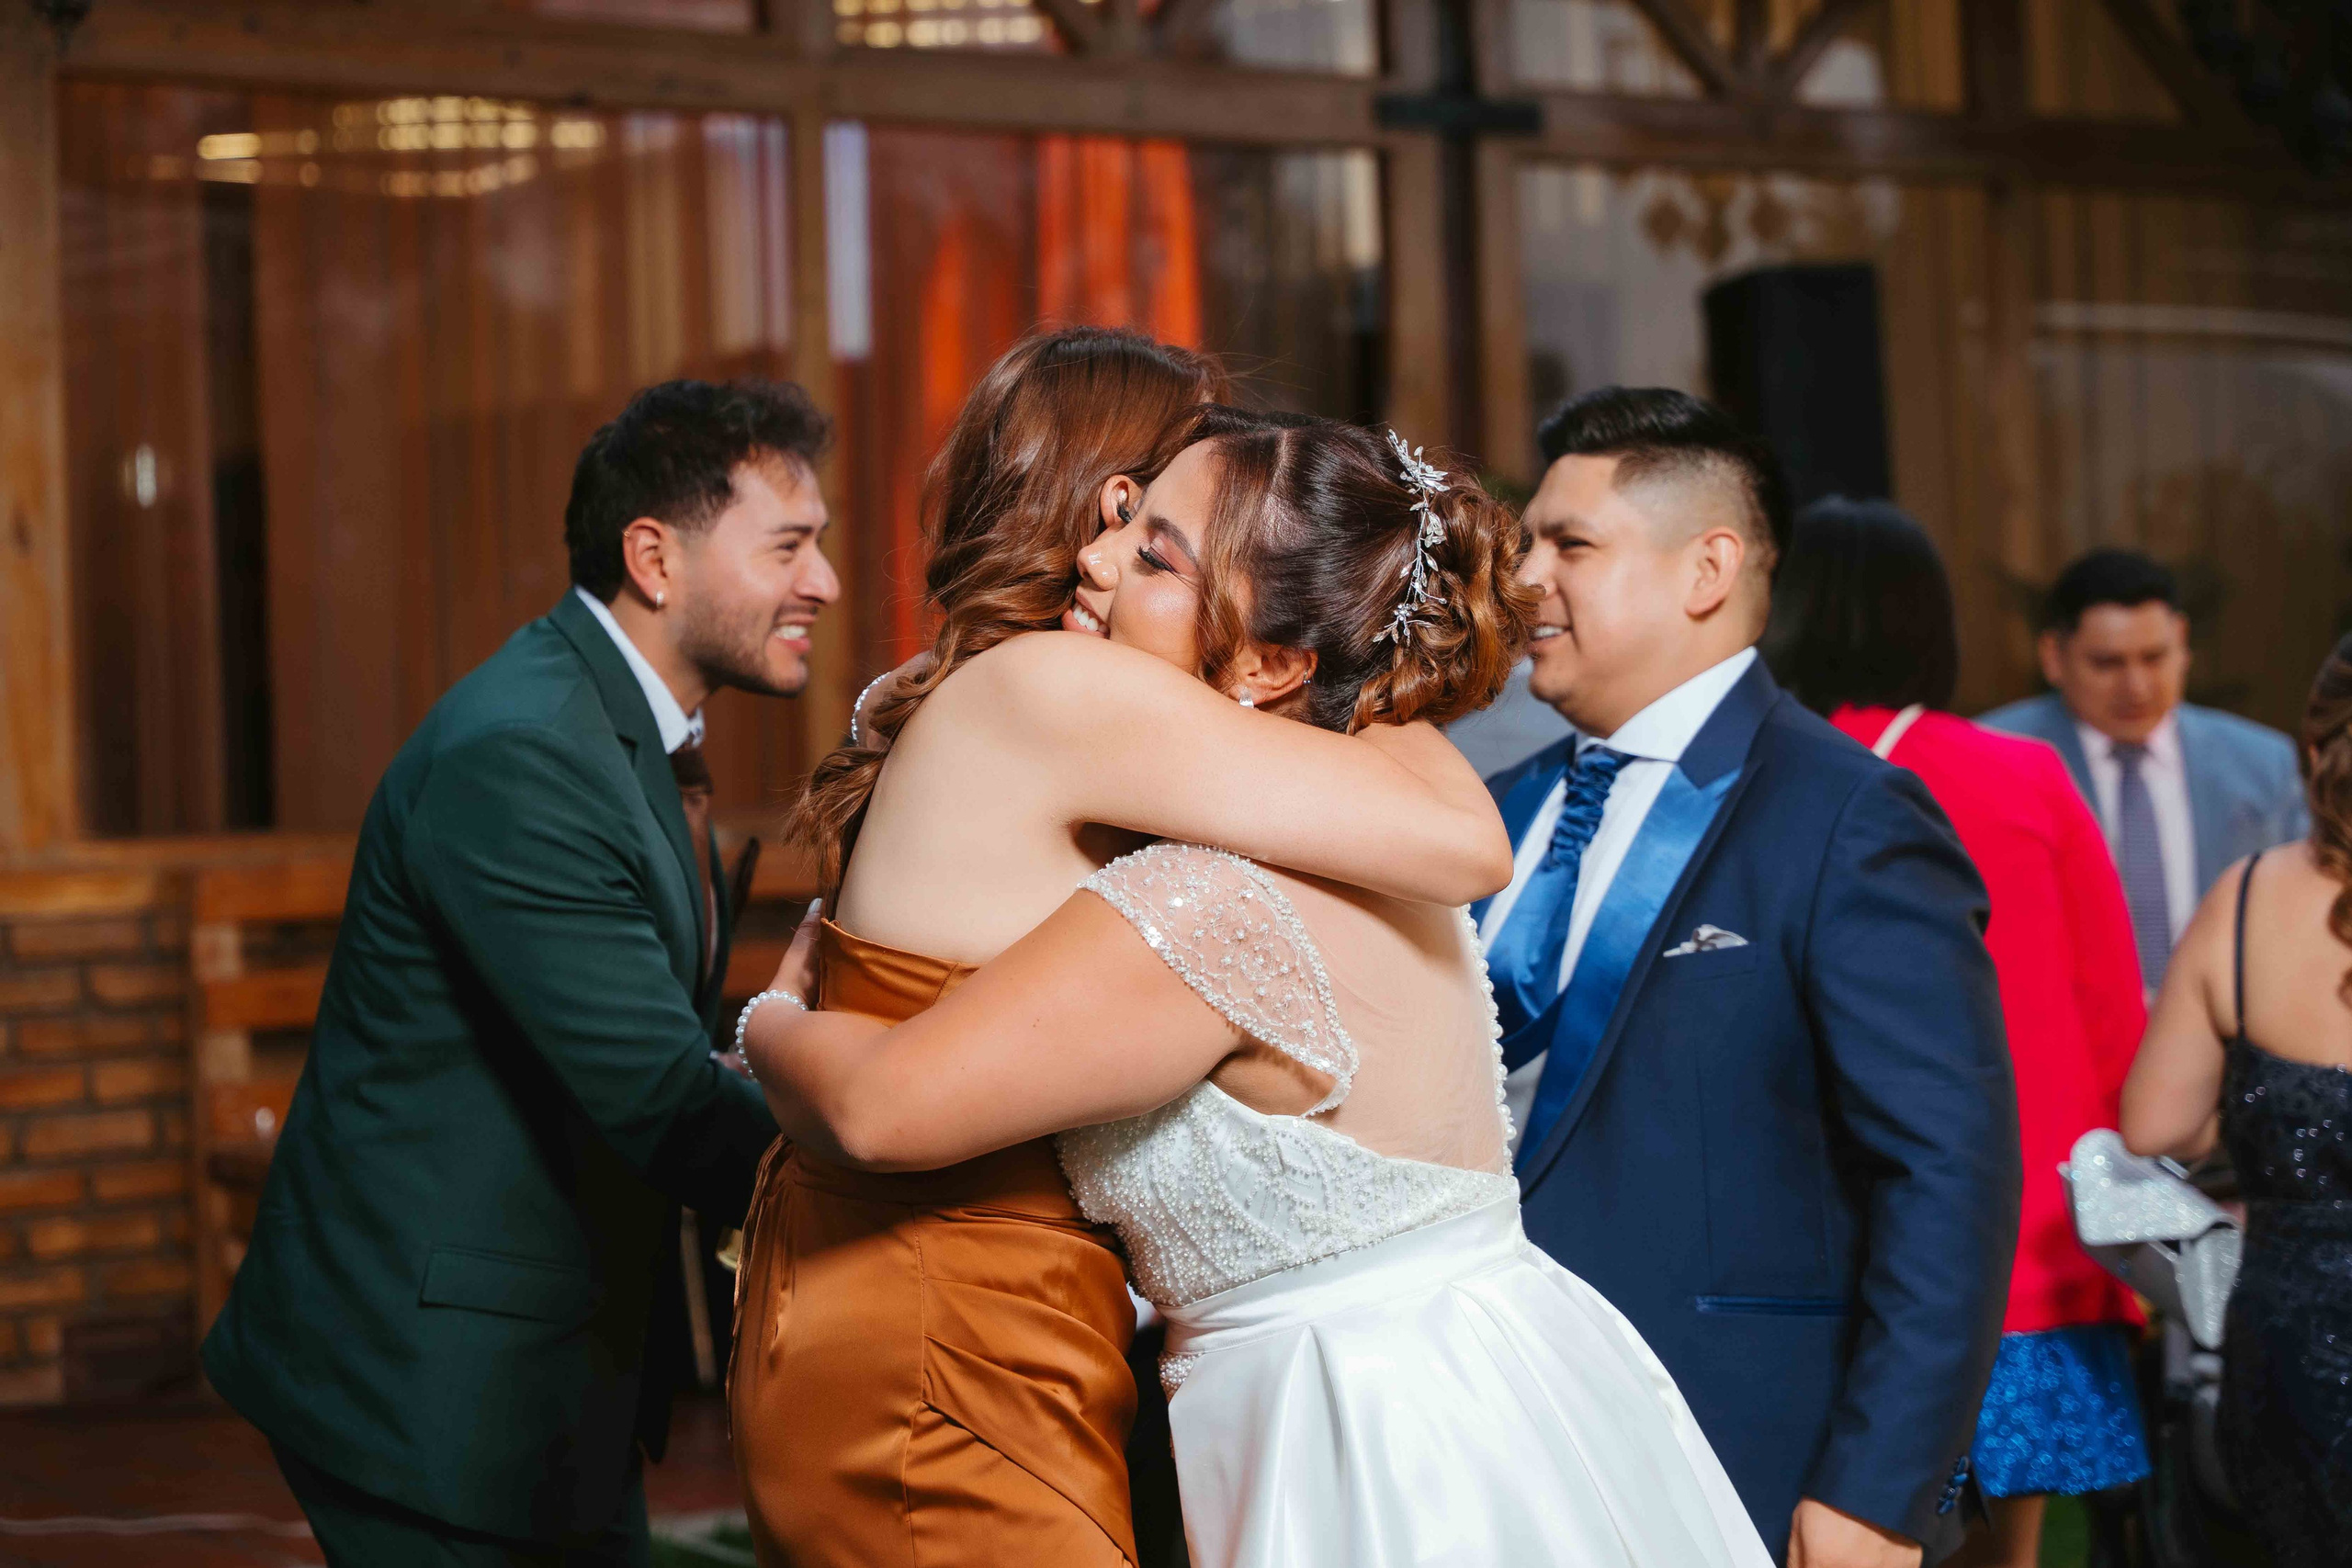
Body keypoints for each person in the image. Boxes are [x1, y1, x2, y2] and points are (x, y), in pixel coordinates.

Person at [745, 410, 1772, 1568]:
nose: (1095, 560)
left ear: (1275, 662)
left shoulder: (1206, 900)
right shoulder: (1355, 828)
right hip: (1500, 1373)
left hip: (1363, 1430)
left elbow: (880, 1109)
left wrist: (770, 1015)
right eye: (1122, 523)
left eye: (1153, 555)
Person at [201, 379, 834, 1565]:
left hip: (541, 1365)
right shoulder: (527, 750)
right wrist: (903, 1153)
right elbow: (661, 1097)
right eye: (790, 546)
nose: (825, 583)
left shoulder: (607, 722)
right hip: (428, 1385)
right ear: (654, 554)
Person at [1478, 388, 2018, 1567]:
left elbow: (1946, 1174)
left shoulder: (1846, 817)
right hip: (1496, 1446)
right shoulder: (1493, 816)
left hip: (1739, 1454)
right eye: (1527, 544)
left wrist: (1879, 1493)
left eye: (1568, 544)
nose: (1524, 579)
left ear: (1705, 570)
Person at [1763, 497, 2153, 1568]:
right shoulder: (2024, 776)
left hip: (1820, 1257)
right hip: (2029, 1253)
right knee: (2006, 1559)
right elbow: (2113, 1022)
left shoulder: (1756, 781)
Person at [2121, 630, 2352, 1568]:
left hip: (2288, 1359)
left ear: (2314, 747)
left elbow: (2153, 1125)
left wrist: (2260, 1104)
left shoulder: (2247, 899)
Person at [1981, 547, 2306, 990]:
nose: (2136, 687)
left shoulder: (2261, 763)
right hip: (2067, 1035)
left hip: (2229, 1039)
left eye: (2154, 657)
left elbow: (2304, 919)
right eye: (2107, 663)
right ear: (2054, 657)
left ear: (2183, 642)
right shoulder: (1993, 756)